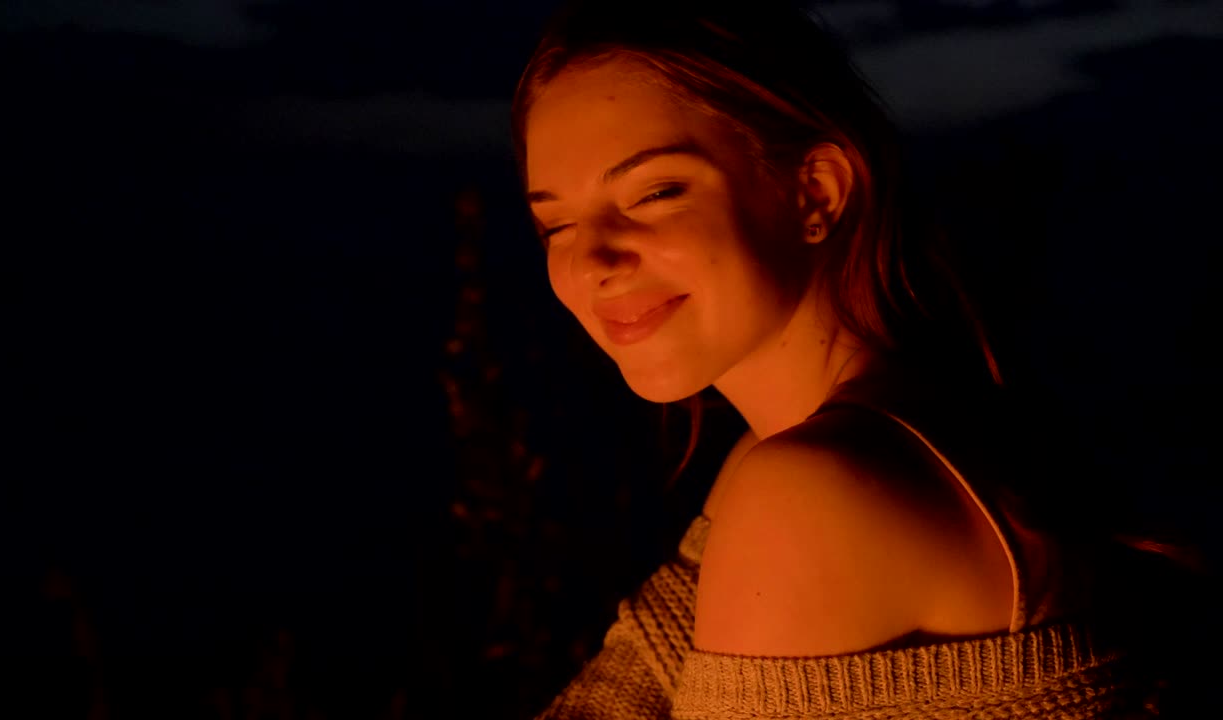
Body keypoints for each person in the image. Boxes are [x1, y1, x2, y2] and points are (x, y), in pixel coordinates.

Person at [511, 1, 1206, 718]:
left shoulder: (814, 493)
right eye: (556, 223)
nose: (592, 260)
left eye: (655, 192)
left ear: (815, 190)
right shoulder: (830, 441)